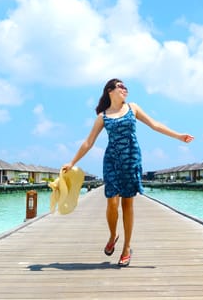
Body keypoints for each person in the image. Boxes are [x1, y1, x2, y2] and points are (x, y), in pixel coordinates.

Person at [62, 78, 194, 267]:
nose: (124, 89)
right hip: (112, 160)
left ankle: (126, 247)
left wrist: (179, 136)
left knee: (127, 204)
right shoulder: (103, 116)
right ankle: (113, 235)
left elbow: (155, 125)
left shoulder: (133, 108)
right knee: (112, 202)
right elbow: (88, 142)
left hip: (131, 158)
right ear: (110, 90)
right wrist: (72, 161)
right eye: (120, 86)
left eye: (126, 87)